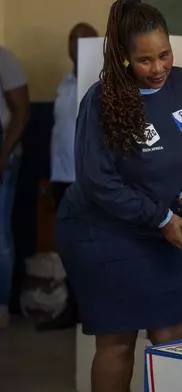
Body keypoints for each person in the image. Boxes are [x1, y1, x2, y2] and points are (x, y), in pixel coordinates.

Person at [55, 0, 182, 390]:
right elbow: (97, 181)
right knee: (119, 341)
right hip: (103, 232)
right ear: (123, 57)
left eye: (165, 55)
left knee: (177, 337)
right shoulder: (102, 100)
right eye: (145, 60)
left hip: (160, 229)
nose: (158, 69)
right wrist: (160, 217)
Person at [39, 22, 99, 332]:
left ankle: (91, 308)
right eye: (72, 41)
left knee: (90, 247)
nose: (76, 47)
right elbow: (57, 134)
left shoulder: (99, 84)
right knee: (68, 245)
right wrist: (50, 178)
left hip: (87, 180)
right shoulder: (64, 85)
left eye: (83, 41)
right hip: (62, 177)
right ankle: (73, 307)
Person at [0, 45, 29, 330]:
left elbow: (22, 111)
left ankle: (1, 304)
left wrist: (4, 155)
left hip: (4, 151)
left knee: (0, 233)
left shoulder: (4, 58)